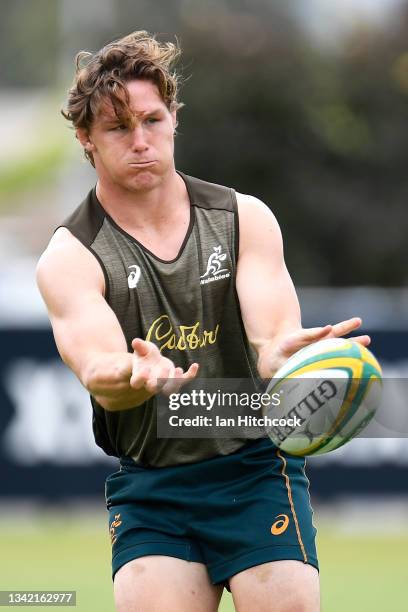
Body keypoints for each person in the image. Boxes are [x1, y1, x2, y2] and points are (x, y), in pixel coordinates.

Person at [36, 31, 370, 612]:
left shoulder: (244, 219)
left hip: (254, 469)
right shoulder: (70, 256)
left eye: (152, 120)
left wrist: (287, 356)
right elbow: (98, 372)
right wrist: (134, 375)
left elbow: (269, 347)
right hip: (153, 485)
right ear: (86, 139)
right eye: (118, 128)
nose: (141, 141)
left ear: (173, 120)